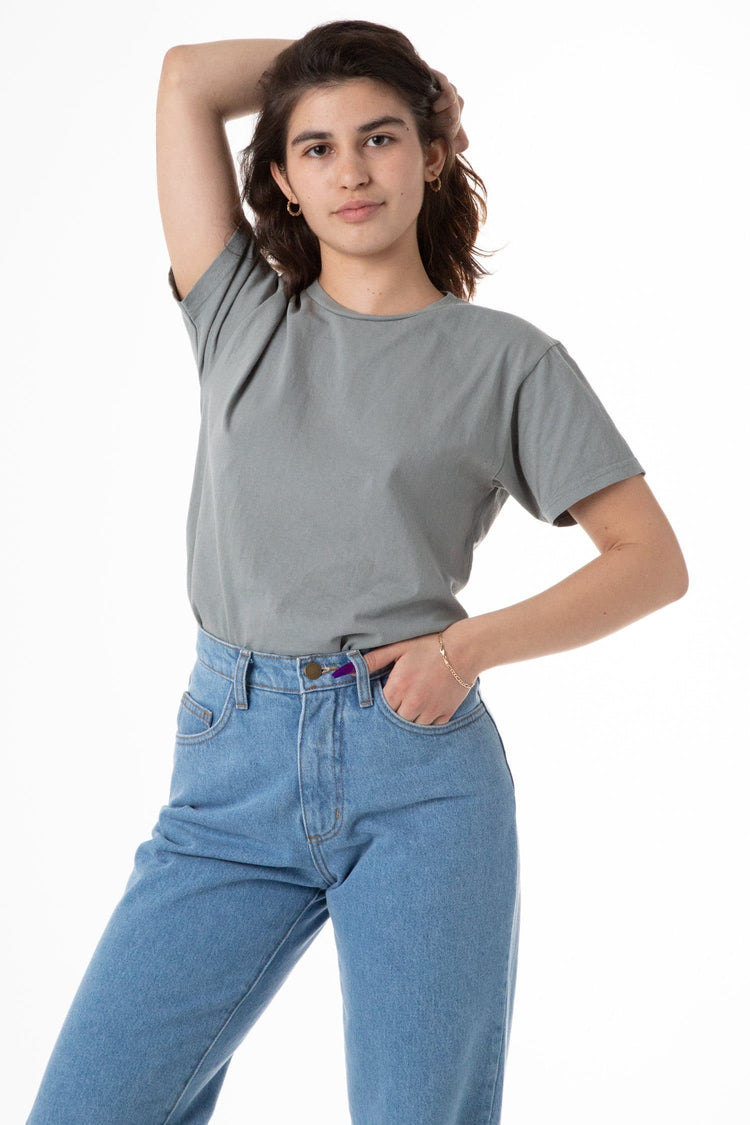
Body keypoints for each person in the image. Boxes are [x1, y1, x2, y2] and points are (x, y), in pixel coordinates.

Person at [26, 19, 688, 1125]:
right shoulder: (238, 314)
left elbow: (651, 562)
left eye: (381, 137)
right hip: (229, 768)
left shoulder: (508, 361)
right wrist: (405, 80)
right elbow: (186, 78)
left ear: (431, 155)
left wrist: (463, 650)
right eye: (318, 147)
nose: (352, 171)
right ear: (283, 181)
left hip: (417, 769)